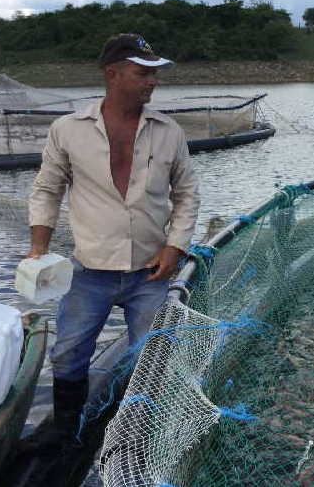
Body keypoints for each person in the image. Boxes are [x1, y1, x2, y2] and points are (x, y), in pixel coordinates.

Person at [26, 33, 200, 447]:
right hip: (89, 269)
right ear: (113, 74)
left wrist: (175, 246)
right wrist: (38, 247)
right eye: (143, 73)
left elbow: (187, 193)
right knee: (69, 353)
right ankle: (64, 431)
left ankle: (142, 433)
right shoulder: (68, 130)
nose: (152, 82)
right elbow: (47, 189)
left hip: (151, 273)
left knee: (153, 356)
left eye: (155, 74)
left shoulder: (168, 131)